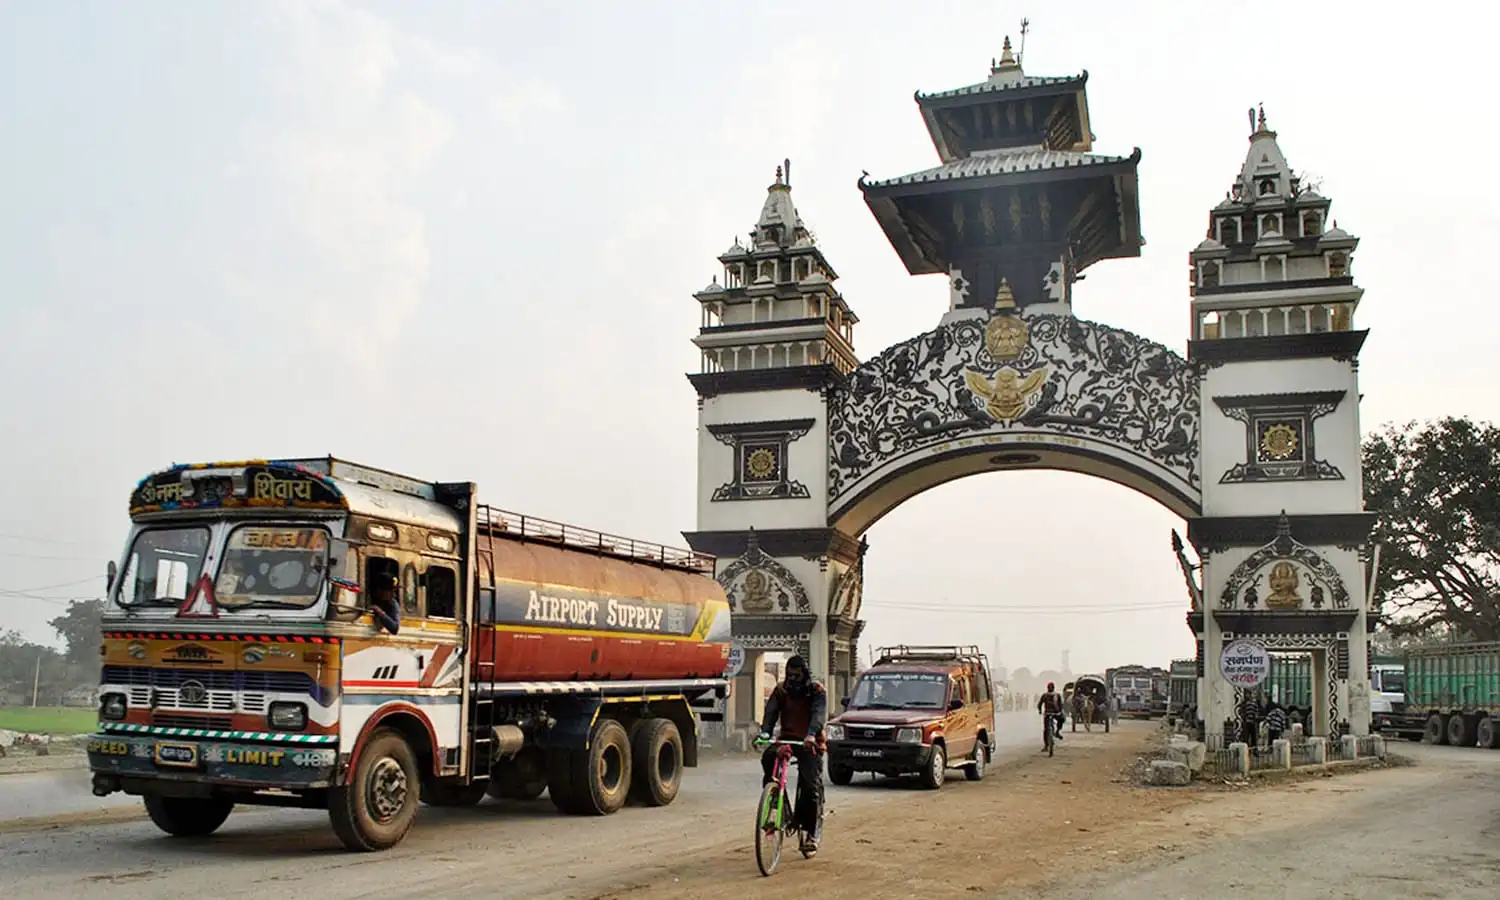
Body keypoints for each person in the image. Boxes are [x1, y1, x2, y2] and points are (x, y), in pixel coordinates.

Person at [757, 655, 827, 852]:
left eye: (796, 676)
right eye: (790, 676)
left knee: (810, 785)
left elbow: (818, 714)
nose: (792, 680)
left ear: (804, 674)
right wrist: (765, 732)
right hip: (787, 739)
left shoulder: (816, 690)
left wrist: (812, 734)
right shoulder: (781, 690)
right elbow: (771, 712)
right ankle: (774, 799)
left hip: (809, 742)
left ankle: (811, 833)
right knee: (768, 757)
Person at [1037, 682, 1065, 747]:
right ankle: (1057, 732)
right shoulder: (1056, 695)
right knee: (1047, 728)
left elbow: (1039, 704)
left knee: (1046, 729)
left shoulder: (1045, 695)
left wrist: (1040, 710)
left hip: (1049, 713)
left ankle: (1047, 744)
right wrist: (1060, 711)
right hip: (1054, 713)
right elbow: (1061, 705)